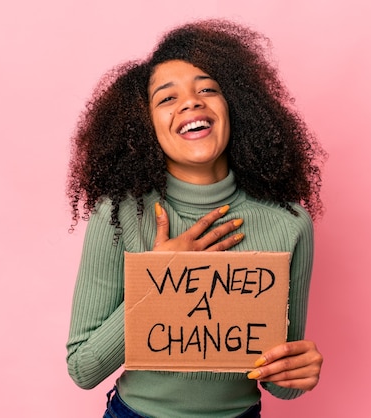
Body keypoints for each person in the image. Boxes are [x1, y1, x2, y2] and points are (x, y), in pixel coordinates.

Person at [66, 19, 326, 418]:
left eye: (207, 89)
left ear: (235, 106)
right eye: (167, 98)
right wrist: (160, 279)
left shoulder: (289, 223)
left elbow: (276, 380)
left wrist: (298, 372)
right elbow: (83, 367)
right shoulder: (119, 215)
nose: (191, 102)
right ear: (145, 126)